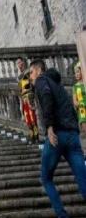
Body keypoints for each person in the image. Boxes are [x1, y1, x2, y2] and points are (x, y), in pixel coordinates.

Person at [30, 59, 86, 217]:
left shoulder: (42, 81)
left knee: (46, 178)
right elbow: (69, 105)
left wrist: (48, 126)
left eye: (31, 73)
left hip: (57, 134)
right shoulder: (57, 83)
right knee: (82, 176)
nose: (31, 77)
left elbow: (47, 97)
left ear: (39, 70)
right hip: (72, 135)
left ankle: (62, 215)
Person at [17, 57, 39, 143]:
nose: (19, 65)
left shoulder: (28, 72)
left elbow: (32, 83)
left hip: (29, 96)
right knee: (27, 119)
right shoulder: (19, 77)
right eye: (18, 63)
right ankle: (31, 136)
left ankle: (36, 136)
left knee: (33, 118)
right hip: (23, 98)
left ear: (23, 62)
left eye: (20, 62)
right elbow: (19, 89)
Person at [73, 62, 86, 134]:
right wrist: (80, 104)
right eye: (75, 73)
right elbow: (75, 102)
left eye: (78, 72)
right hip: (82, 110)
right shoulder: (75, 87)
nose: (76, 74)